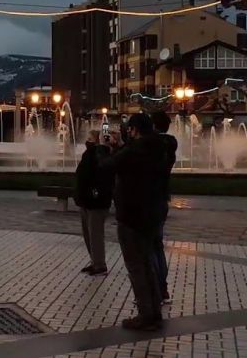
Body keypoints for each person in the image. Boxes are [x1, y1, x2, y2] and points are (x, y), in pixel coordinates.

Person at [103, 112, 166, 331]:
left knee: (136, 267)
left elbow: (107, 166)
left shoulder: (134, 151)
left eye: (129, 129)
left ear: (135, 130)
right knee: (147, 263)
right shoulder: (158, 149)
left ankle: (145, 315)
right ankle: (154, 312)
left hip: (131, 215)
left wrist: (106, 147)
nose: (127, 132)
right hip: (152, 213)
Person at [74, 130, 113, 276]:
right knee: (88, 233)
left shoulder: (101, 154)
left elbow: (101, 176)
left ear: (97, 141)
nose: (87, 141)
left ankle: (100, 265)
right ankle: (94, 261)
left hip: (96, 201)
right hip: (85, 200)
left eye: (90, 139)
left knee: (96, 234)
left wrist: (94, 192)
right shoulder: (89, 153)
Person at [151, 111, 178, 304]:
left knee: (149, 247)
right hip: (161, 199)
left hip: (149, 200)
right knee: (157, 245)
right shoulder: (170, 146)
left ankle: (155, 290)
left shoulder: (152, 147)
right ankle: (162, 289)